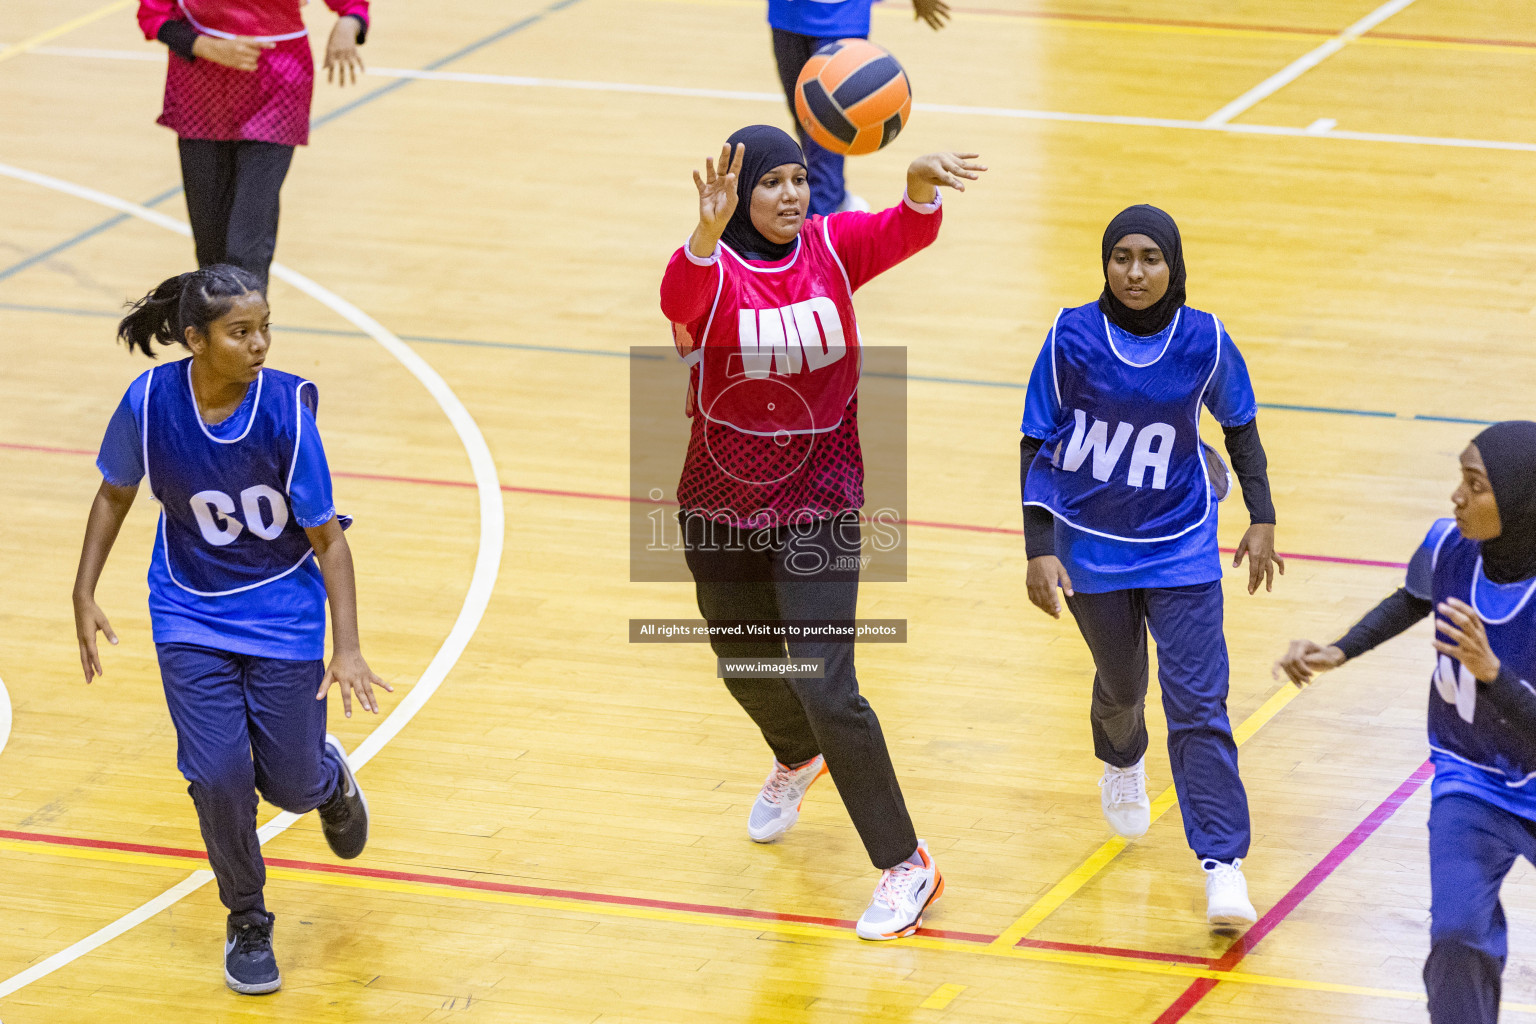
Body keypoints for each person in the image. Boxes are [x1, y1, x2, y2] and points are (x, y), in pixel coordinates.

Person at [659, 124, 984, 939]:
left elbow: (904, 229)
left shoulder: (833, 250)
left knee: (828, 684)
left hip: (820, 502)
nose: (792, 195)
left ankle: (907, 865)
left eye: (800, 179)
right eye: (771, 182)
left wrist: (916, 185)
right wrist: (703, 230)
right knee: (743, 664)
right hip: (718, 504)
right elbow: (678, 299)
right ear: (737, 194)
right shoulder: (712, 268)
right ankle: (796, 756)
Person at [71, 264, 390, 995]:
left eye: (265, 328)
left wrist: (346, 647)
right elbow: (115, 494)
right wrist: (83, 591)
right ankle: (248, 917)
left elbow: (328, 541)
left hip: (282, 611)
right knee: (217, 775)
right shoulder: (149, 404)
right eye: (240, 332)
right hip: (188, 608)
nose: (260, 345)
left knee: (291, 786)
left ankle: (327, 779)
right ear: (195, 340)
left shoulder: (284, 411)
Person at [1019, 204, 1284, 928]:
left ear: (1174, 267)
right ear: (1105, 263)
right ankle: (1122, 753)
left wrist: (1261, 516)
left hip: (1182, 541)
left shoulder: (1205, 339)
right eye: (1121, 258)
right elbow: (1034, 440)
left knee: (1199, 703)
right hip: (1088, 543)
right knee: (1124, 682)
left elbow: (1241, 426)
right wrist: (1037, 547)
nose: (1135, 273)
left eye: (1150, 259)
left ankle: (1223, 863)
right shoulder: (1070, 335)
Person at [1275, 421, 1536, 1024]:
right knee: (1456, 935)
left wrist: (1493, 675)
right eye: (1460, 479)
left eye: (1476, 486)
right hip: (1470, 780)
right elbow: (1416, 596)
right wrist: (1341, 649)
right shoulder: (1448, 546)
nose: (1456, 497)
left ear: (1522, 502)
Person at [136, 0, 371, 290]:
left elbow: (353, 5)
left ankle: (248, 333)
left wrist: (350, 23)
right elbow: (153, 16)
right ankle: (220, 331)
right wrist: (208, 46)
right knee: (211, 250)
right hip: (199, 94)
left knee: (247, 246)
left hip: (277, 89)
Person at [768, 0, 950, 217]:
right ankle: (836, 195)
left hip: (843, 14)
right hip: (787, 14)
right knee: (806, 118)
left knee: (827, 128)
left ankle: (818, 222)